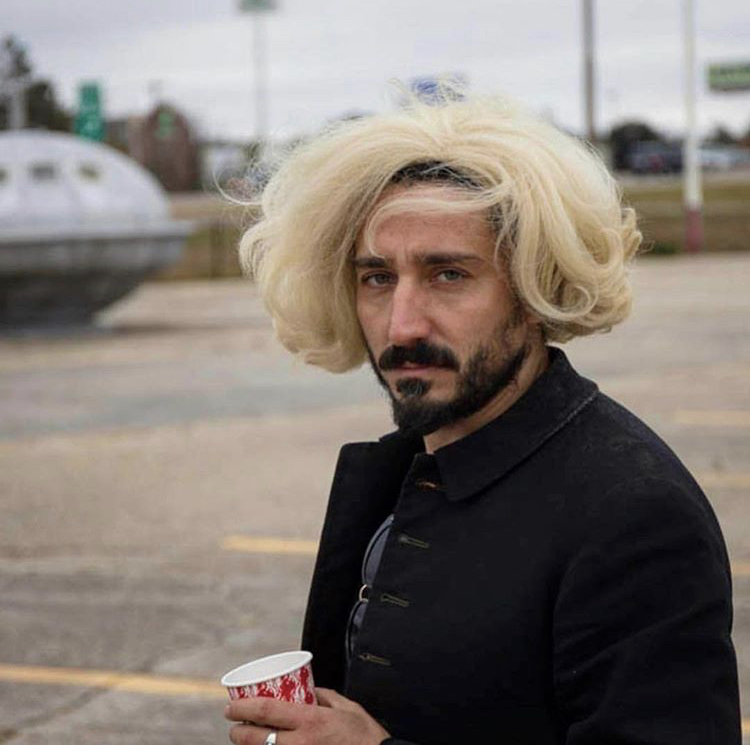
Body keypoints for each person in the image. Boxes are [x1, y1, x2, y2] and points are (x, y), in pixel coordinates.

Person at [224, 92, 741, 744]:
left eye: (448, 275)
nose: (402, 325)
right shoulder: (408, 466)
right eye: (378, 278)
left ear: (534, 289)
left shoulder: (634, 514)